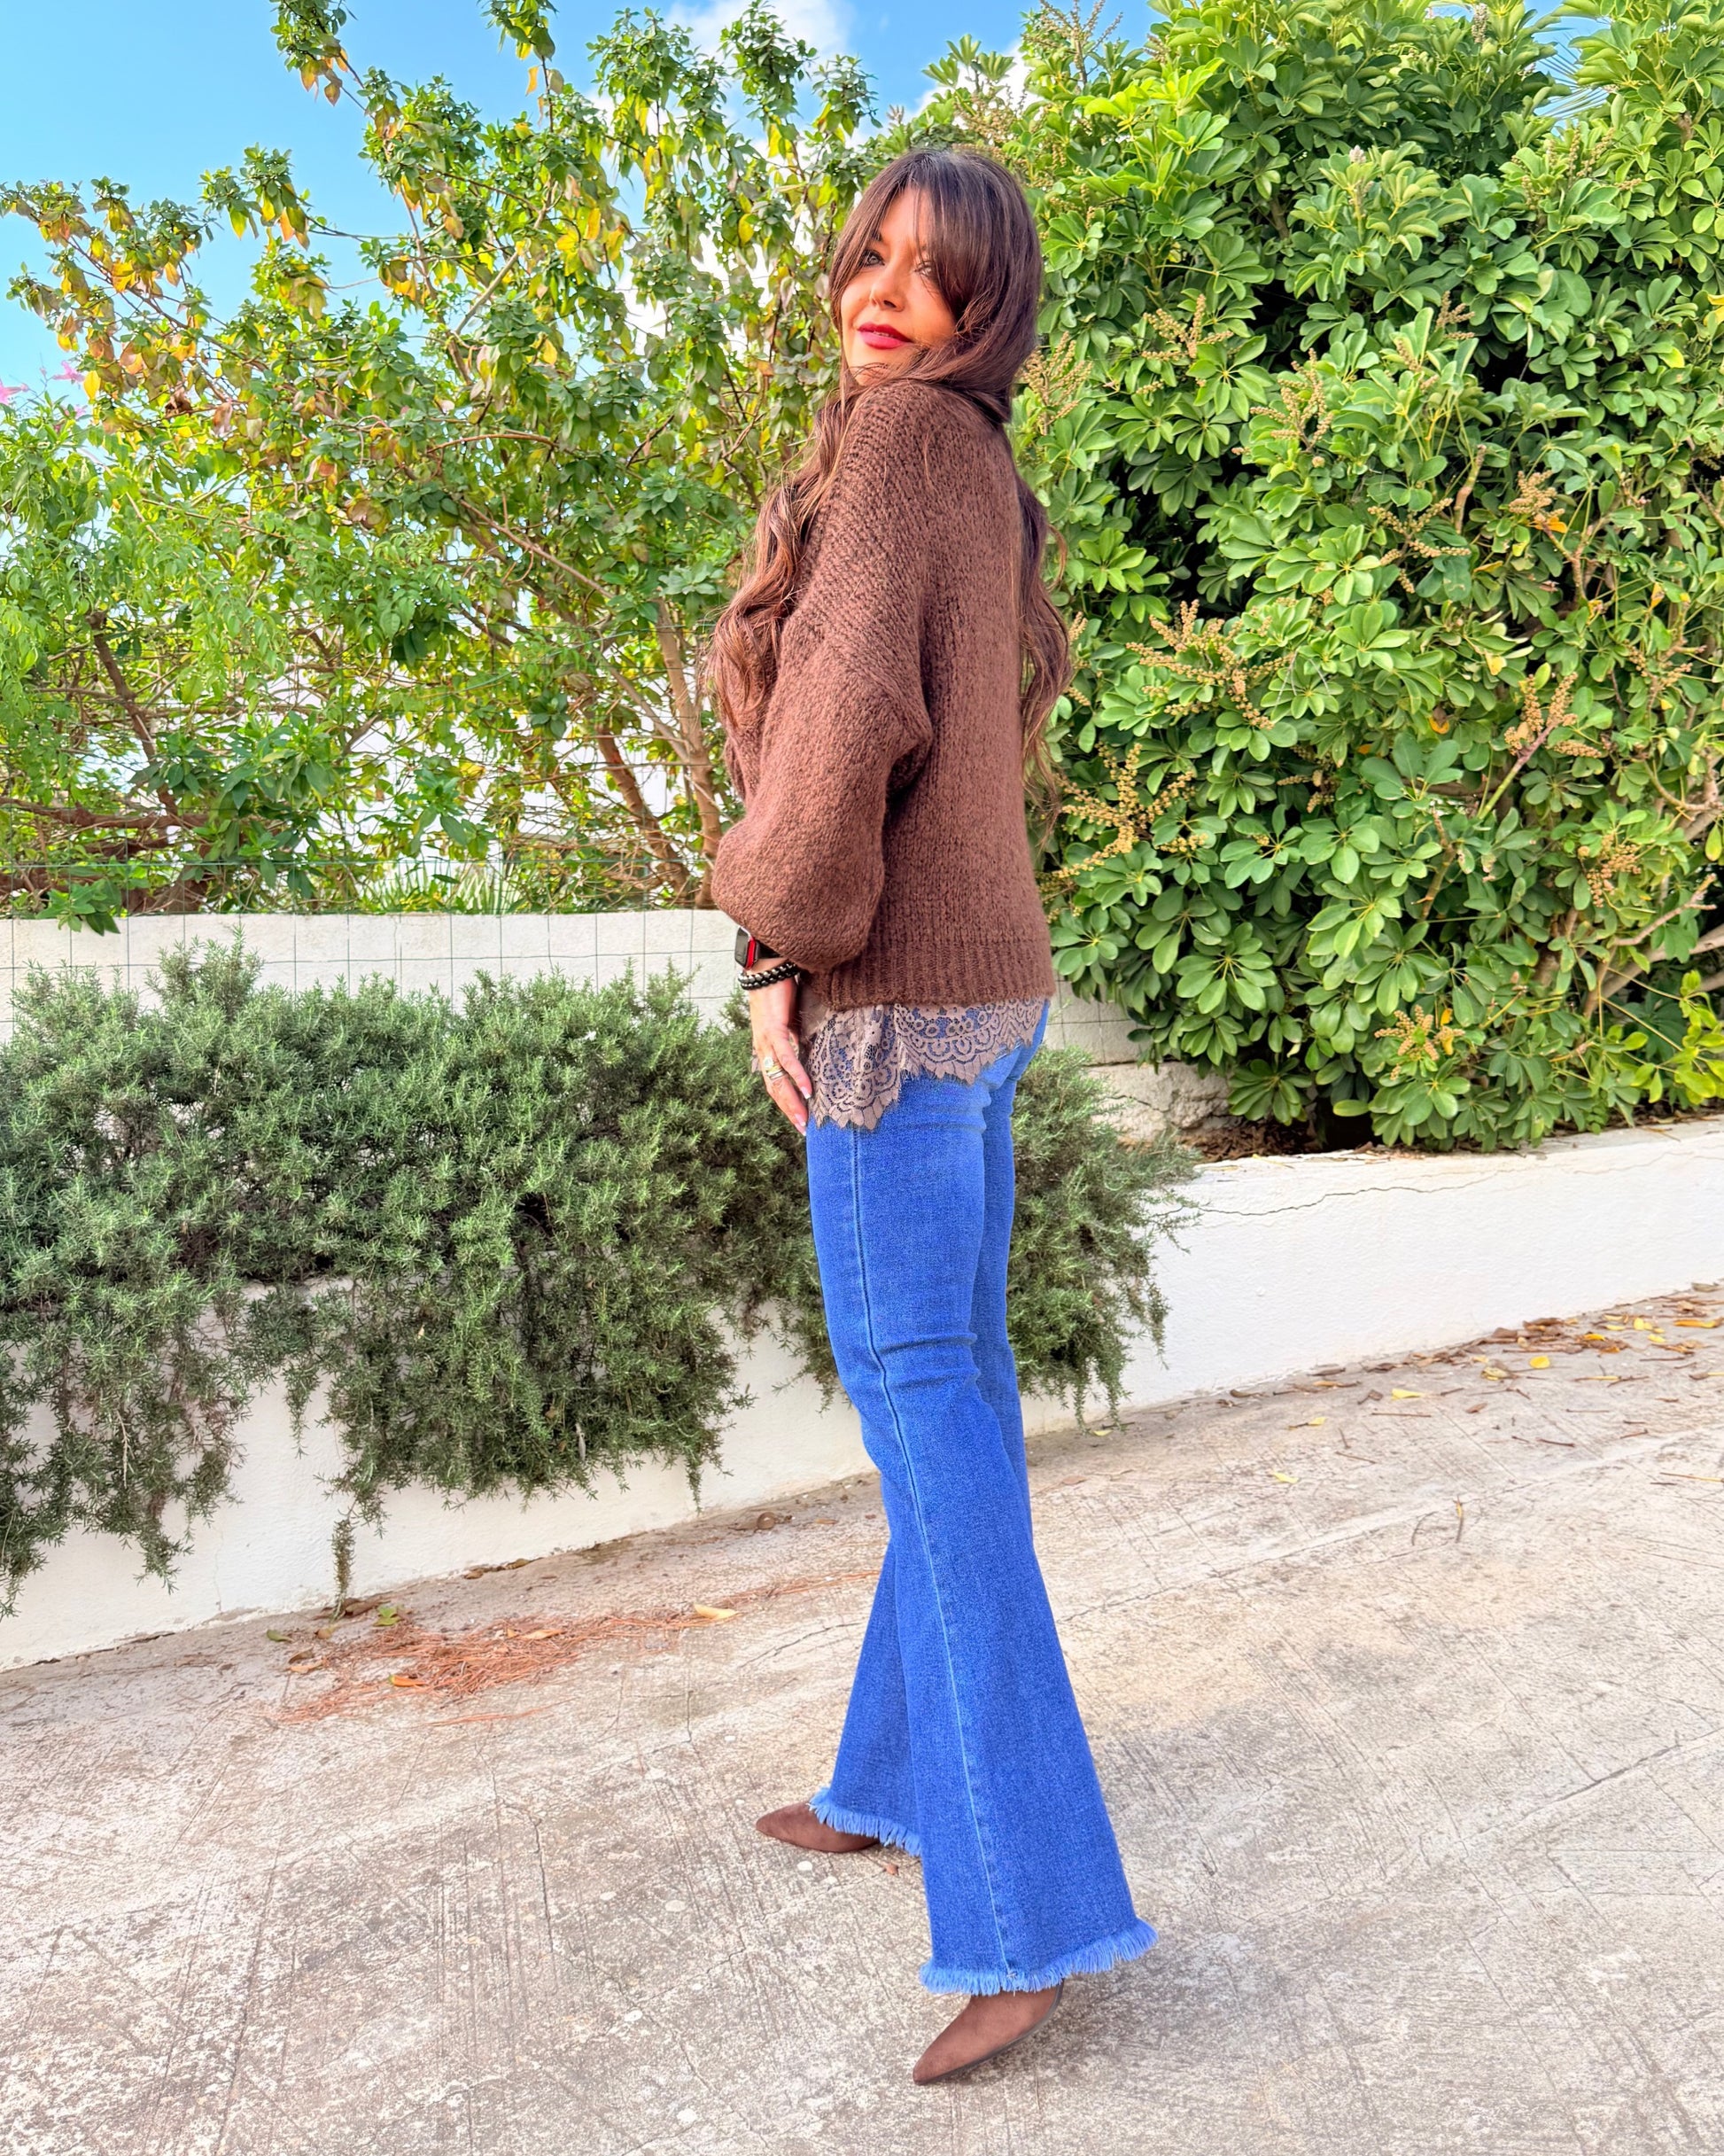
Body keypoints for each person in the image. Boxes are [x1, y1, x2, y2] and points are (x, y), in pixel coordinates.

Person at [708, 146, 1154, 2086]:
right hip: (988, 1003)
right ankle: (890, 1776)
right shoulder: (979, 463)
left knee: (933, 1436)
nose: (885, 292)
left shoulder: (898, 448)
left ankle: (1028, 1909)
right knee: (950, 1404)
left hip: (890, 1013)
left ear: (992, 303)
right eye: (868, 255)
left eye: (934, 268)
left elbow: (840, 738)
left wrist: (769, 949)